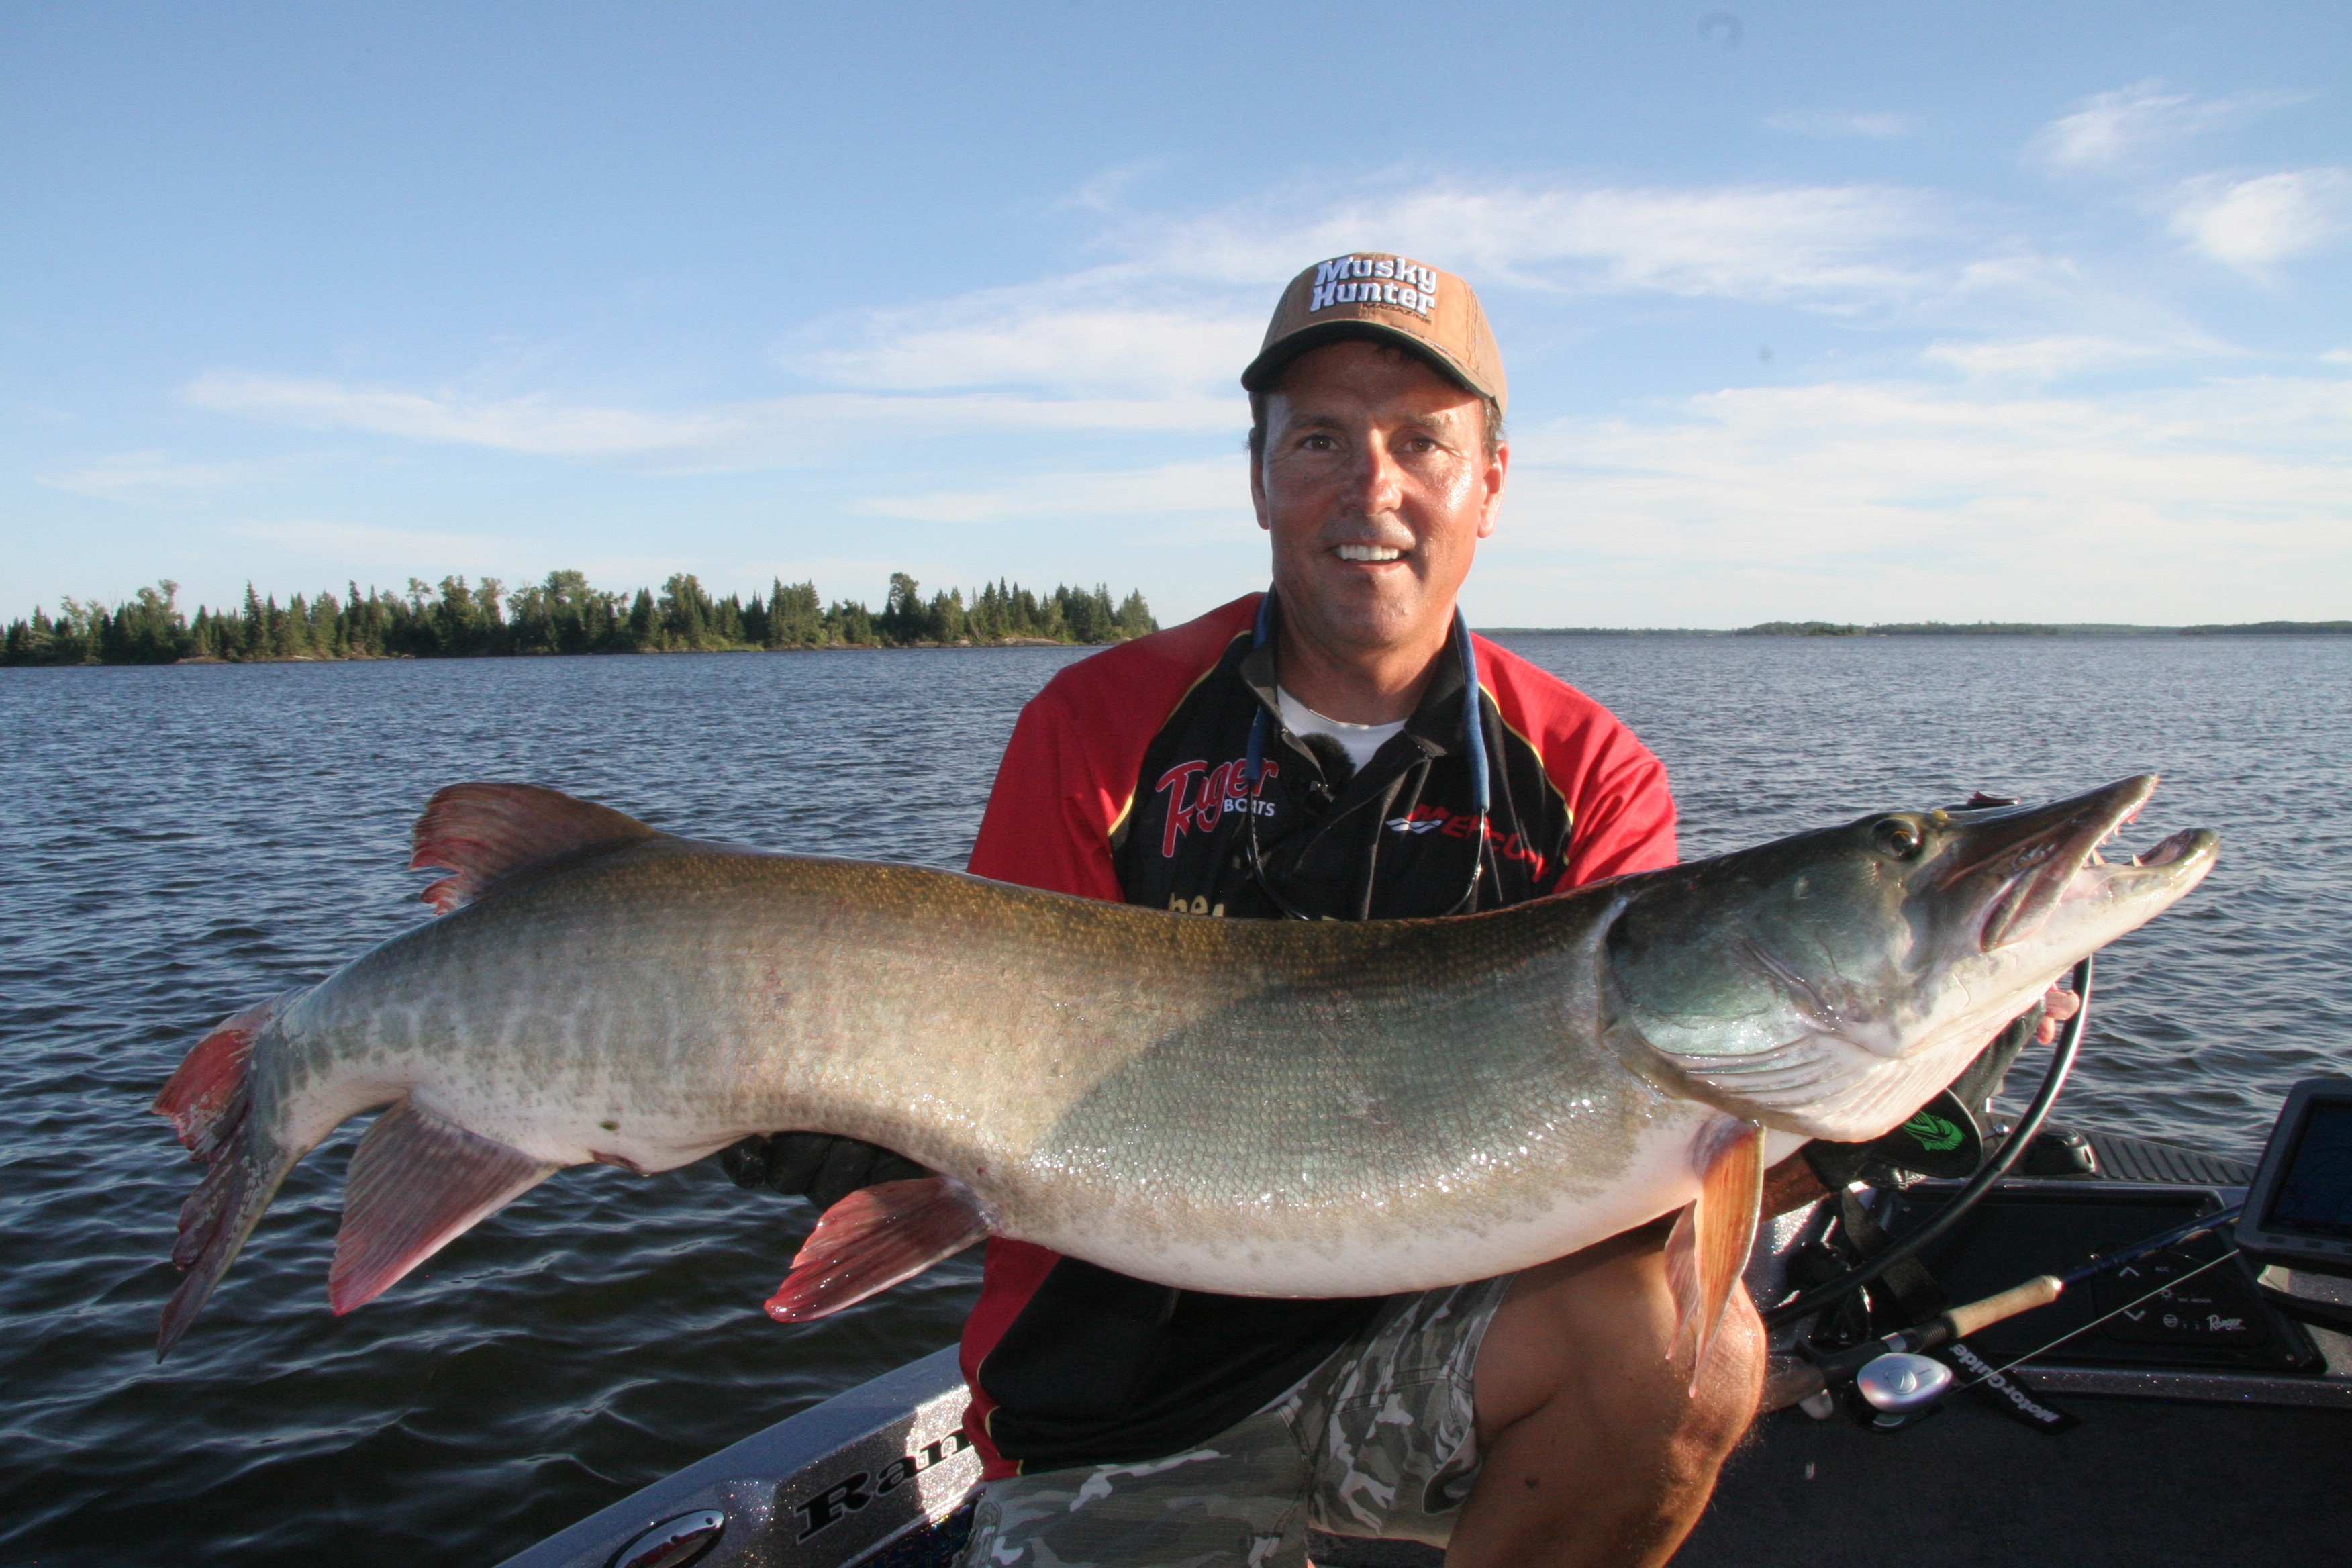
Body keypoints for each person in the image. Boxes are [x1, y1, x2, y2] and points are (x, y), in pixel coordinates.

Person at [733, 253, 1757, 1567]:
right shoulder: (1100, 727)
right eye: (1319, 438)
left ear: (1490, 483)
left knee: (1690, 1342)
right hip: (1121, 1395)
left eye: (1420, 443)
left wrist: (1847, 1101)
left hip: (1431, 1348)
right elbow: (986, 1056)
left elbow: (1645, 1138)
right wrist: (868, 1129)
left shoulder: (1590, 772)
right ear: (1260, 475)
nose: (1368, 488)